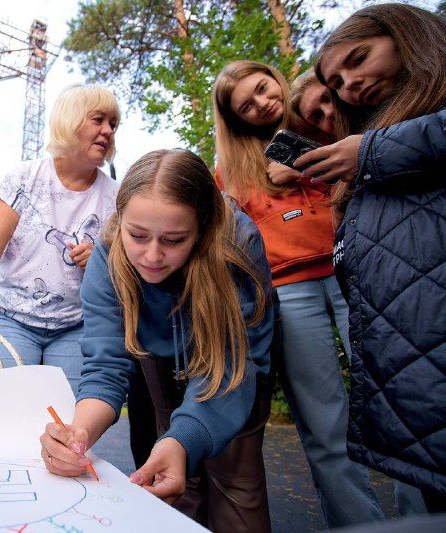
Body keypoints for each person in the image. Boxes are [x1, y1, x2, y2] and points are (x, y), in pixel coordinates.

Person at [40, 149, 274, 531]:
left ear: (202, 229)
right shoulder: (107, 257)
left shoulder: (237, 244)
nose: (152, 256)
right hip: (159, 362)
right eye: (137, 236)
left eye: (174, 240)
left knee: (236, 479)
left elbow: (236, 363)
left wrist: (185, 438)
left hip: (234, 372)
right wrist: (78, 433)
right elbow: (105, 365)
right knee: (175, 476)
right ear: (120, 221)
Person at [213, 60, 384, 527]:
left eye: (262, 88)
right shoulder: (231, 169)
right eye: (246, 106)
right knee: (325, 424)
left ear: (276, 78)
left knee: (397, 404)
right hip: (289, 293)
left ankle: (422, 519)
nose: (262, 103)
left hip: (356, 269)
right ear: (236, 119)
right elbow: (229, 241)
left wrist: (313, 171)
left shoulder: (326, 120)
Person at [294, 3, 446, 511]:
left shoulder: (377, 149)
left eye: (359, 59)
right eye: (337, 82)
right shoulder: (367, 156)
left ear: (404, 32)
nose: (350, 85)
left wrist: (370, 152)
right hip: (415, 375)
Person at [0, 85, 120, 396]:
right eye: (98, 120)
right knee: (8, 406)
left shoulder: (116, 197)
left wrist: (101, 258)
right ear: (70, 121)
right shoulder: (25, 178)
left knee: (65, 415)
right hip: (11, 320)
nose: (108, 131)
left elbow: (123, 268)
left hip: (75, 326)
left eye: (113, 124)